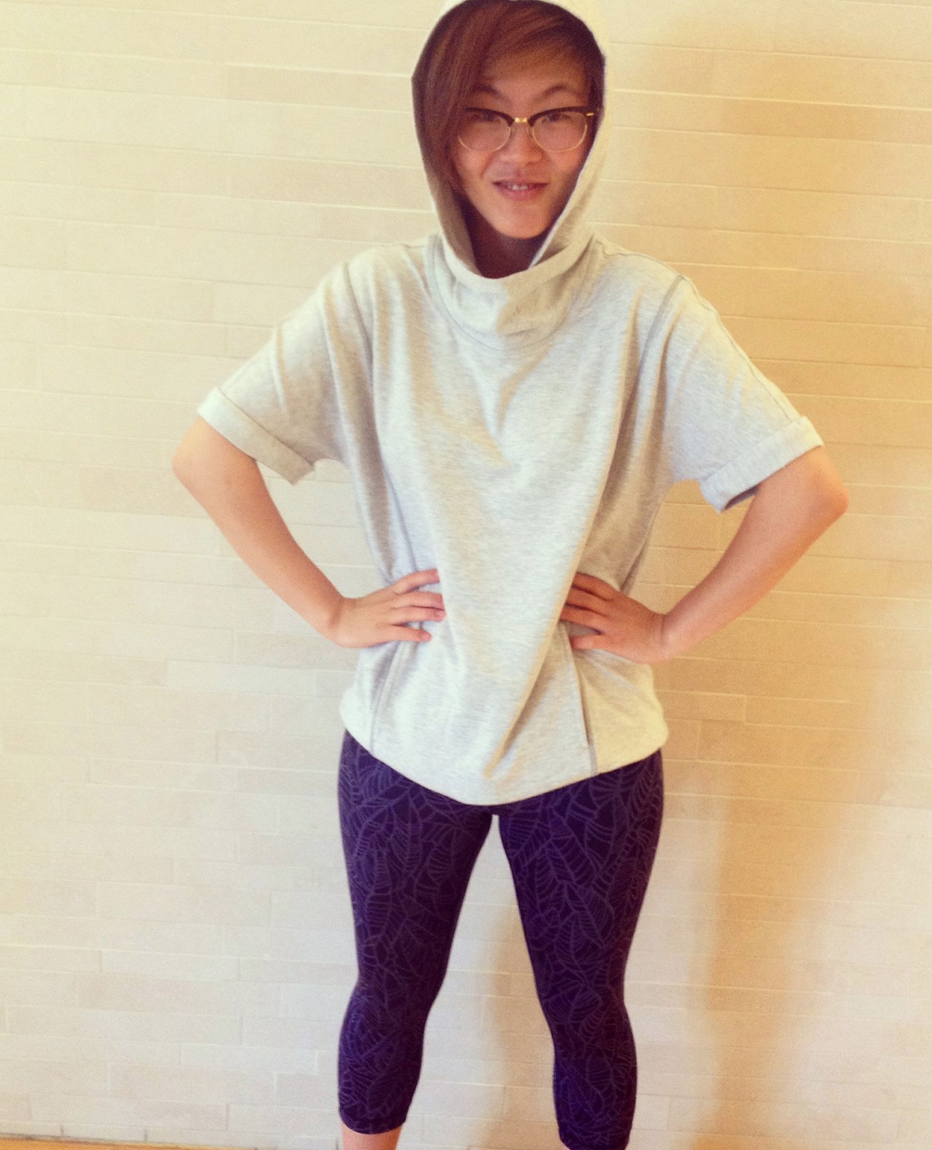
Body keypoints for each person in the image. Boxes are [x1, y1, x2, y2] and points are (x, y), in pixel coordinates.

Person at [171, 0, 849, 1147]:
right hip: (409, 730)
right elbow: (208, 453)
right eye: (484, 116)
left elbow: (806, 488)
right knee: (389, 998)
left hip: (586, 746)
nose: (518, 150)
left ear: (592, 130)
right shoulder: (375, 297)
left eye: (552, 116)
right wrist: (331, 610)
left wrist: (669, 632)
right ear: (437, 130)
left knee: (584, 1015)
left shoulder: (645, 309)